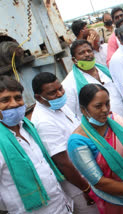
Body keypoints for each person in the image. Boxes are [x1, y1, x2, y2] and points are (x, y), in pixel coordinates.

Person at [67, 83, 123, 214]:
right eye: (98, 106)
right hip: (117, 202)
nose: (105, 109)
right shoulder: (78, 143)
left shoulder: (116, 121)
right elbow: (99, 182)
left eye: (107, 103)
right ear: (83, 110)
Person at [0, 76, 72, 213]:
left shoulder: (27, 128)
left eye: (18, 98)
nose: (14, 104)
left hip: (61, 205)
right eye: (5, 100)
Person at [31, 72, 99, 214]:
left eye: (60, 88)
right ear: (38, 97)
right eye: (52, 93)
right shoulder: (44, 121)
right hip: (79, 184)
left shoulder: (59, 106)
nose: (60, 94)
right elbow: (62, 162)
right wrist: (85, 188)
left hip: (90, 173)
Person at [62, 40, 123, 119]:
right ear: (74, 60)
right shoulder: (69, 83)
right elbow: (70, 113)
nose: (87, 54)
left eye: (89, 51)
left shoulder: (104, 70)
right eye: (82, 53)